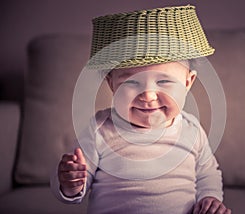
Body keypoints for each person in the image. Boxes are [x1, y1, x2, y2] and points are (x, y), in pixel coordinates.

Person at [51, 5, 231, 214]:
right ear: (112, 84)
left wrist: (211, 198)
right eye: (132, 83)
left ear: (188, 82)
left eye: (164, 81)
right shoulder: (100, 128)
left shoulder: (191, 129)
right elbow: (76, 184)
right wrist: (70, 184)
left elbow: (207, 173)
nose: (147, 95)